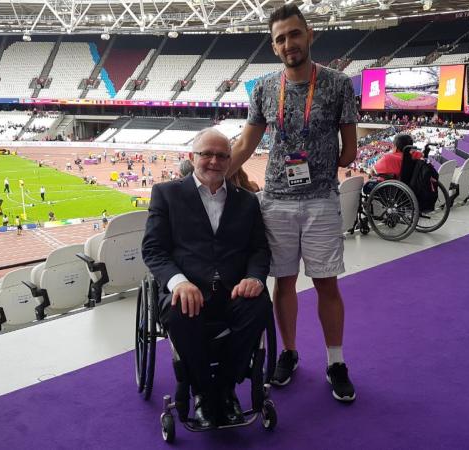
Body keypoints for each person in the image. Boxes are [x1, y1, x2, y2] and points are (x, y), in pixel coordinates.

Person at [228, 4, 358, 402]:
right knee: (282, 283)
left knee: (326, 285)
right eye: (281, 38)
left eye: (294, 34)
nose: (289, 43)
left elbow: (349, 152)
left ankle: (335, 361)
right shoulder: (264, 88)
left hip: (320, 200)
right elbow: (247, 143)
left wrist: (319, 164)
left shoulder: (338, 84)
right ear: (274, 46)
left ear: (309, 35)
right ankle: (288, 352)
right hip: (277, 203)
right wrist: (213, 173)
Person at [141, 128, 271, 428]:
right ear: (192, 157)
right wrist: (179, 282)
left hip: (233, 290)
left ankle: (225, 390)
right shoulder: (167, 194)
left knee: (259, 306)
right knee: (179, 311)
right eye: (206, 154)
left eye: (222, 155)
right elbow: (153, 250)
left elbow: (259, 250)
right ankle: (202, 392)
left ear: (230, 160)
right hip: (187, 288)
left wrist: (254, 278)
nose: (215, 161)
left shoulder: (247, 201)